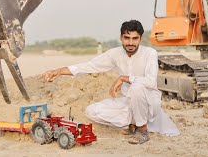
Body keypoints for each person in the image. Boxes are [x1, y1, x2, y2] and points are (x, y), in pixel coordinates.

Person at [41, 20, 180, 144]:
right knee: (92, 111)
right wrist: (59, 71)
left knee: (137, 88)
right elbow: (90, 65)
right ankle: (133, 125)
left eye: (134, 38)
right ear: (121, 37)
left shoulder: (150, 53)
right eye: (127, 38)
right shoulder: (115, 53)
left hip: (150, 103)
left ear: (140, 39)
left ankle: (142, 130)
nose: (130, 43)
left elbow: (150, 82)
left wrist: (125, 78)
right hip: (128, 102)